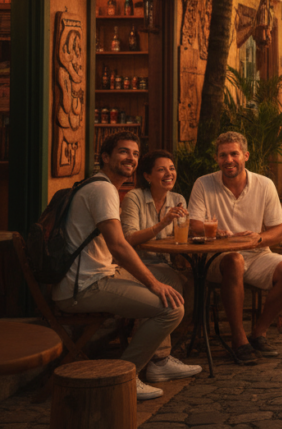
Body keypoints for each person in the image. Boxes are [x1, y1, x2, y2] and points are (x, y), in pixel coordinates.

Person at [54, 131, 190, 400]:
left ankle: (159, 361)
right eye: (123, 152)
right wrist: (152, 282)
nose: (131, 158)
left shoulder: (98, 185)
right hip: (84, 287)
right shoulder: (103, 189)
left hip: (91, 278)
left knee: (171, 283)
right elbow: (119, 244)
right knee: (171, 309)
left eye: (136, 154)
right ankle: (126, 377)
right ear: (105, 157)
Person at [189, 132, 282, 365]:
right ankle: (239, 340)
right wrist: (216, 233)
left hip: (257, 254)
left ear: (245, 156)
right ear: (216, 159)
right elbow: (194, 225)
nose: (228, 160)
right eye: (223, 155)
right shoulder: (203, 183)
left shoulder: (265, 184)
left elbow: (277, 233)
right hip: (216, 258)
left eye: (234, 154)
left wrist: (258, 238)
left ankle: (258, 333)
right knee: (234, 260)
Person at [121, 149, 201, 380]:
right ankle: (159, 360)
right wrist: (163, 222)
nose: (169, 173)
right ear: (147, 175)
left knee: (190, 282)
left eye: (172, 168)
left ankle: (165, 354)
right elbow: (129, 238)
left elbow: (179, 236)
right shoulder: (134, 197)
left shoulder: (177, 199)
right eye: (162, 169)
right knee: (167, 286)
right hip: (134, 264)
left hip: (164, 262)